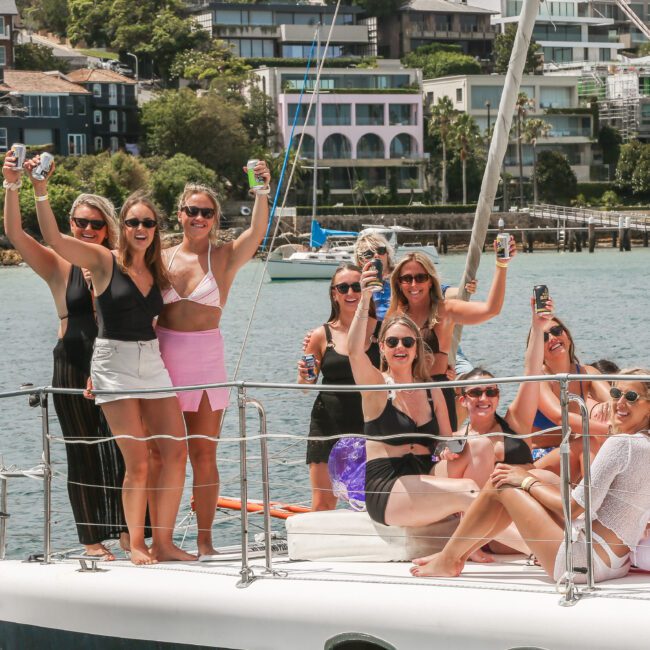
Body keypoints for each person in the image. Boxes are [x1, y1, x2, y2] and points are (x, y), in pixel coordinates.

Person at [30, 157, 192, 566]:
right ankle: (136, 543)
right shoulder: (104, 263)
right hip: (113, 362)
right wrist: (40, 188)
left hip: (150, 360)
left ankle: (165, 542)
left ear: (156, 229)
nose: (141, 230)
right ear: (124, 227)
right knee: (136, 461)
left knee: (175, 451)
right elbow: (52, 236)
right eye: (134, 223)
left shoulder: (158, 269)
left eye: (148, 224)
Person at [411, 369, 650, 583]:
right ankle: (458, 553)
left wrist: (525, 481)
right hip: (616, 563)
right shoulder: (643, 444)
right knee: (540, 476)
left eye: (631, 397)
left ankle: (449, 559)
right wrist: (532, 478)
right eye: (616, 393)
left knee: (501, 482)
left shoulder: (621, 444)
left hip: (583, 562)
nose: (619, 402)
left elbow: (574, 507)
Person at [2, 151, 128, 559]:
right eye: (80, 223)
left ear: (108, 230)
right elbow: (17, 234)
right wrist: (14, 182)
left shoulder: (122, 265)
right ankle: (91, 541)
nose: (87, 229)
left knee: (128, 450)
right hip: (72, 365)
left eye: (96, 224)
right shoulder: (59, 267)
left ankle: (131, 533)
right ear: (70, 225)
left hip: (118, 365)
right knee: (82, 450)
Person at [157, 167, 270, 557]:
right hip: (163, 361)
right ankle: (161, 540)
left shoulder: (223, 257)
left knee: (203, 454)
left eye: (206, 213)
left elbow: (256, 232)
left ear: (215, 219)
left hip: (206, 361)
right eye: (192, 211)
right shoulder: (160, 258)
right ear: (180, 214)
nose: (198, 218)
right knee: (164, 455)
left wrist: (260, 188)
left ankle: (205, 542)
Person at [347, 266, 497, 542]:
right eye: (392, 342)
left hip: (425, 472)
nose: (400, 347)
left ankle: (488, 540)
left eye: (407, 341)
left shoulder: (430, 389)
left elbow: (444, 441)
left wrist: (447, 450)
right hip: (389, 488)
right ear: (382, 347)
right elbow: (355, 353)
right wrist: (365, 298)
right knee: (469, 490)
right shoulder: (377, 388)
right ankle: (535, 546)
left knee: (482, 445)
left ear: (416, 347)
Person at [385, 241, 515, 430]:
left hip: (437, 396)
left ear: (430, 281)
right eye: (407, 278)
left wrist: (501, 265)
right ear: (398, 282)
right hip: (401, 396)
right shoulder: (395, 316)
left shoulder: (444, 311)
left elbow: (491, 309)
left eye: (420, 277)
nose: (414, 284)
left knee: (442, 455)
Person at [440, 296, 551, 488]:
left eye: (491, 392)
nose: (484, 398)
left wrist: (537, 326)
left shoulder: (516, 424)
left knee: (545, 477)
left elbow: (532, 371)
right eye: (475, 393)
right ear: (463, 400)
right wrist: (444, 453)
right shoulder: (457, 439)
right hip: (481, 508)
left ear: (498, 397)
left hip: (518, 504)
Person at [297, 263, 381, 511]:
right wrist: (303, 376)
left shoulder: (382, 329)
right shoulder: (320, 335)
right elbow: (305, 386)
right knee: (323, 503)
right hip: (327, 425)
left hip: (371, 422)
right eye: (343, 287)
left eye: (357, 286)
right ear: (334, 293)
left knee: (373, 501)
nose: (350, 293)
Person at [530, 315, 611, 461]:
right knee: (590, 441)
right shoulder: (538, 378)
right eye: (543, 337)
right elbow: (560, 417)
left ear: (567, 335)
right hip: (537, 454)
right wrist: (610, 430)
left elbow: (615, 400)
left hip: (568, 449)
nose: (552, 338)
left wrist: (609, 407)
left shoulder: (586, 373)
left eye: (556, 330)